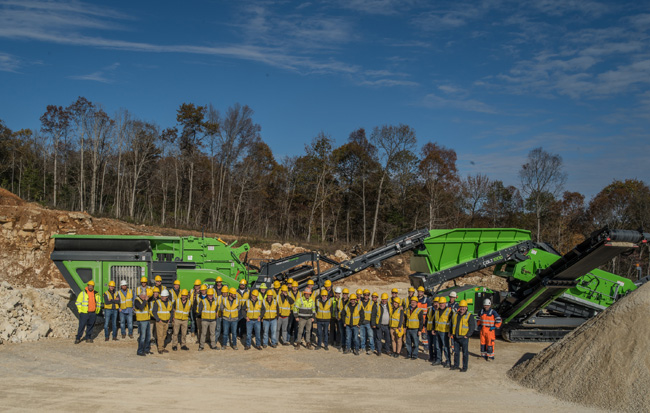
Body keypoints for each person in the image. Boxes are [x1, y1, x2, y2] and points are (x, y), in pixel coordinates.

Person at [450, 300, 476, 372]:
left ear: (466, 308)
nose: (462, 308)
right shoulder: (455, 315)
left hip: (464, 337)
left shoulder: (469, 316)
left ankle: (464, 367)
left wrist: (467, 335)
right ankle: (456, 365)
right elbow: (451, 324)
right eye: (461, 307)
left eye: (464, 307)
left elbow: (472, 326)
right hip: (456, 337)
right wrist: (451, 332)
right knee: (456, 352)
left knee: (465, 353)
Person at [434, 296, 453, 367]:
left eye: (443, 303)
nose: (441, 304)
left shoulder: (449, 311)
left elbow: (451, 323)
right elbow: (434, 321)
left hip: (445, 332)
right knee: (438, 347)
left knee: (446, 347)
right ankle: (439, 360)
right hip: (438, 331)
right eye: (440, 303)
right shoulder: (436, 311)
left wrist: (450, 332)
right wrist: (434, 329)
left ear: (445, 303)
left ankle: (448, 361)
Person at [151, 289, 172, 354]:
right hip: (160, 321)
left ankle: (162, 347)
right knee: (160, 335)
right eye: (162, 296)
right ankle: (160, 348)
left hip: (166, 321)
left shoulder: (170, 303)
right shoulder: (157, 302)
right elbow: (154, 311)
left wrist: (170, 319)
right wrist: (158, 319)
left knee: (164, 335)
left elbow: (171, 312)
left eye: (164, 296)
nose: (162, 297)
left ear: (167, 296)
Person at [134, 289, 152, 356]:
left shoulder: (145, 301)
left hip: (147, 320)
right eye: (144, 296)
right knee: (142, 337)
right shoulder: (137, 300)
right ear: (141, 295)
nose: (145, 297)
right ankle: (140, 351)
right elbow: (141, 307)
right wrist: (145, 300)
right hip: (141, 321)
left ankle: (146, 349)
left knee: (148, 336)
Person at [359, 289, 375, 355]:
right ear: (363, 295)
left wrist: (372, 323)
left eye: (367, 295)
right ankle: (363, 348)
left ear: (369, 296)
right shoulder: (360, 302)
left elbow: (373, 314)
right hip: (362, 323)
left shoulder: (372, 303)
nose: (366, 296)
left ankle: (372, 349)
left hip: (369, 323)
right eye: (365, 295)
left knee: (370, 336)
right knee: (362, 336)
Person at [426, 297, 440, 363]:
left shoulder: (439, 311)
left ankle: (437, 358)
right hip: (429, 329)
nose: (436, 304)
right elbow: (427, 319)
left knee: (436, 345)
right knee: (430, 344)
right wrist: (425, 328)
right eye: (435, 302)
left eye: (437, 302)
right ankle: (431, 357)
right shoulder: (430, 310)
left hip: (435, 330)